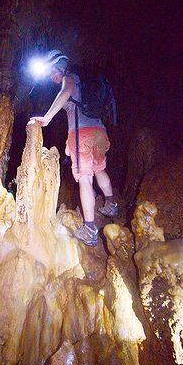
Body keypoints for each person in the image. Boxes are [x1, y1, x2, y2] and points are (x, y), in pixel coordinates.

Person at [29, 51, 117, 246]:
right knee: (99, 168)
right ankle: (111, 203)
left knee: (85, 178)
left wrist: (47, 117)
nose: (52, 77)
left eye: (53, 71)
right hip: (100, 131)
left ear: (61, 66)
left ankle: (89, 228)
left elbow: (65, 92)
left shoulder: (70, 78)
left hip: (81, 133)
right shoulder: (87, 82)